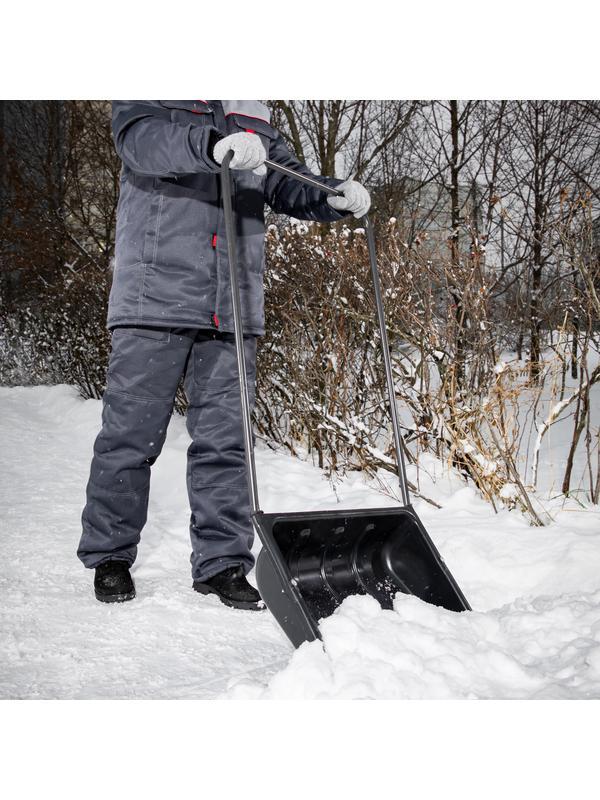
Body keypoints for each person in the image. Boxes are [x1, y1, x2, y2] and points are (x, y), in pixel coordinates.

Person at [77, 100, 370, 610]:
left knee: (227, 442)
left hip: (232, 301)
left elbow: (283, 181)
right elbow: (140, 143)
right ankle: (111, 556)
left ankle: (223, 564)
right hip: (156, 295)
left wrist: (332, 196)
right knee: (130, 435)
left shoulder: (251, 107)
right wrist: (209, 147)